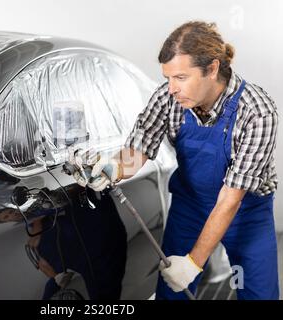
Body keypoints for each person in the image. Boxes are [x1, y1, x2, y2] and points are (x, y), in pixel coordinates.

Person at [79, 21, 279, 300]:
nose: (171, 88)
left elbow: (230, 199)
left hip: (245, 213)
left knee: (255, 291)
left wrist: (194, 263)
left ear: (212, 69)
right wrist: (113, 168)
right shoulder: (168, 96)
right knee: (173, 293)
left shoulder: (258, 112)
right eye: (168, 77)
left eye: (181, 77)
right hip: (191, 208)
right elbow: (138, 151)